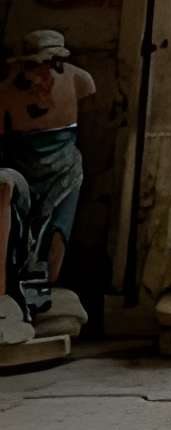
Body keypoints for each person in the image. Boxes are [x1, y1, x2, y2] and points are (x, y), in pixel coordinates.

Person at [1, 31, 94, 320]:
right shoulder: (7, 91)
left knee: (55, 235)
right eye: (34, 66)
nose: (41, 75)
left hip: (64, 171)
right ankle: (18, 294)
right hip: (23, 170)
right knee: (19, 234)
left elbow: (92, 127)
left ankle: (44, 290)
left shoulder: (79, 80)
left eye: (48, 65)